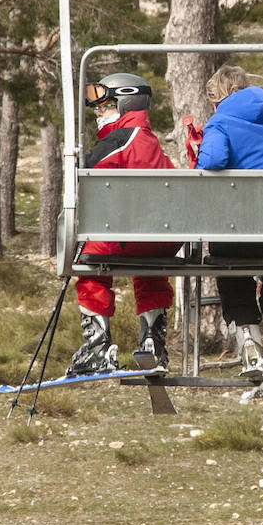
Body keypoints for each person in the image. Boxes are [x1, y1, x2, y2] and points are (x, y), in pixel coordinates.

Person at [67, 72, 181, 376]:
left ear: (125, 104)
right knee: (150, 273)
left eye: (104, 107)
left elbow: (85, 173)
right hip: (162, 242)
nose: (97, 114)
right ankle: (152, 344)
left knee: (89, 263)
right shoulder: (153, 144)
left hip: (124, 237)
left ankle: (98, 347)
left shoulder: (121, 140)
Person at [195, 64, 263, 374]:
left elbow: (213, 161)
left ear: (217, 97)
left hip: (235, 236)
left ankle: (250, 345)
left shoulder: (220, 122)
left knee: (233, 277)